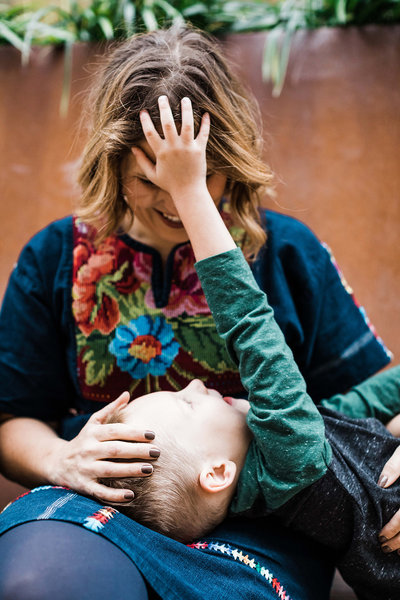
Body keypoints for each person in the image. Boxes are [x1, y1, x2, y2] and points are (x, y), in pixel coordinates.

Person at [0, 25, 393, 600]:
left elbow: (371, 397)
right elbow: (11, 419)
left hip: (265, 532)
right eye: (147, 179)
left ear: (230, 162)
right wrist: (65, 460)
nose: (172, 201)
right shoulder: (56, 257)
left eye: (195, 177)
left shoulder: (285, 251)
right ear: (113, 166)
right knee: (43, 584)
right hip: (100, 509)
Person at [86, 96, 400, 600]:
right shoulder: (291, 457)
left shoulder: (289, 455)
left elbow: (361, 405)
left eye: (195, 175)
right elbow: (253, 327)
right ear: (216, 473)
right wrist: (191, 191)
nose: (192, 383)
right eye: (186, 401)